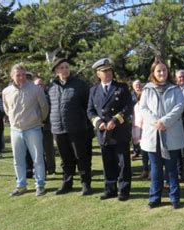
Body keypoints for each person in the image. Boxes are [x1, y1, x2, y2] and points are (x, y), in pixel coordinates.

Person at [140, 59, 184, 209]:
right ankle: (155, 198)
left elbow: (179, 107)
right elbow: (144, 108)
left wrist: (164, 122)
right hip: (153, 135)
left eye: (164, 70)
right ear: (153, 73)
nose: (162, 73)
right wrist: (156, 122)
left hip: (170, 134)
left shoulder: (175, 89)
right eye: (158, 70)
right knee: (155, 169)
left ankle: (175, 198)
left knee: (172, 168)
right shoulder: (147, 90)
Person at [87, 58, 133, 201]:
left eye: (109, 70)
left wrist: (115, 120)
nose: (107, 73)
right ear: (97, 74)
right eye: (104, 71)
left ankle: (124, 190)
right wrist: (98, 122)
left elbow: (128, 107)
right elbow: (90, 111)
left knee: (123, 162)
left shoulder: (122, 87)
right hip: (103, 132)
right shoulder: (93, 90)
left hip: (119, 131)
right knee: (108, 163)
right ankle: (110, 189)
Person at [2, 63, 49, 197]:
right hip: (15, 130)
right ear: (12, 76)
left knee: (38, 159)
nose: (21, 77)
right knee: (18, 160)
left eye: (23, 75)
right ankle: (21, 185)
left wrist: (39, 120)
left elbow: (44, 107)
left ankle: (40, 185)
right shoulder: (6, 92)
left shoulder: (35, 89)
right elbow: (7, 109)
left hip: (33, 128)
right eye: (18, 75)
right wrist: (13, 121)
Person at [48, 58, 93, 196]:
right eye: (61, 68)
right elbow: (49, 107)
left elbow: (88, 106)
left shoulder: (80, 85)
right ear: (56, 71)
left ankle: (85, 184)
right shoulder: (51, 87)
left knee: (81, 157)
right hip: (58, 129)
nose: (65, 70)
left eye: (67, 67)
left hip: (77, 128)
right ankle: (67, 183)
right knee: (65, 159)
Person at [34, 78, 56, 175]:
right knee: (38, 150)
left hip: (47, 126)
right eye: (37, 85)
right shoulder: (32, 96)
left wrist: (44, 121)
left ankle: (51, 168)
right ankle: (41, 169)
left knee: (49, 149)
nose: (39, 87)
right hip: (35, 126)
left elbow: (51, 110)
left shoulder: (49, 97)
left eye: (41, 84)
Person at [132, 79, 150, 179]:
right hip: (140, 129)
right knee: (144, 152)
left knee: (151, 152)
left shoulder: (148, 104)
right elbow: (136, 119)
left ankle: (151, 172)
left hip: (149, 129)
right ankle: (145, 170)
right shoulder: (136, 105)